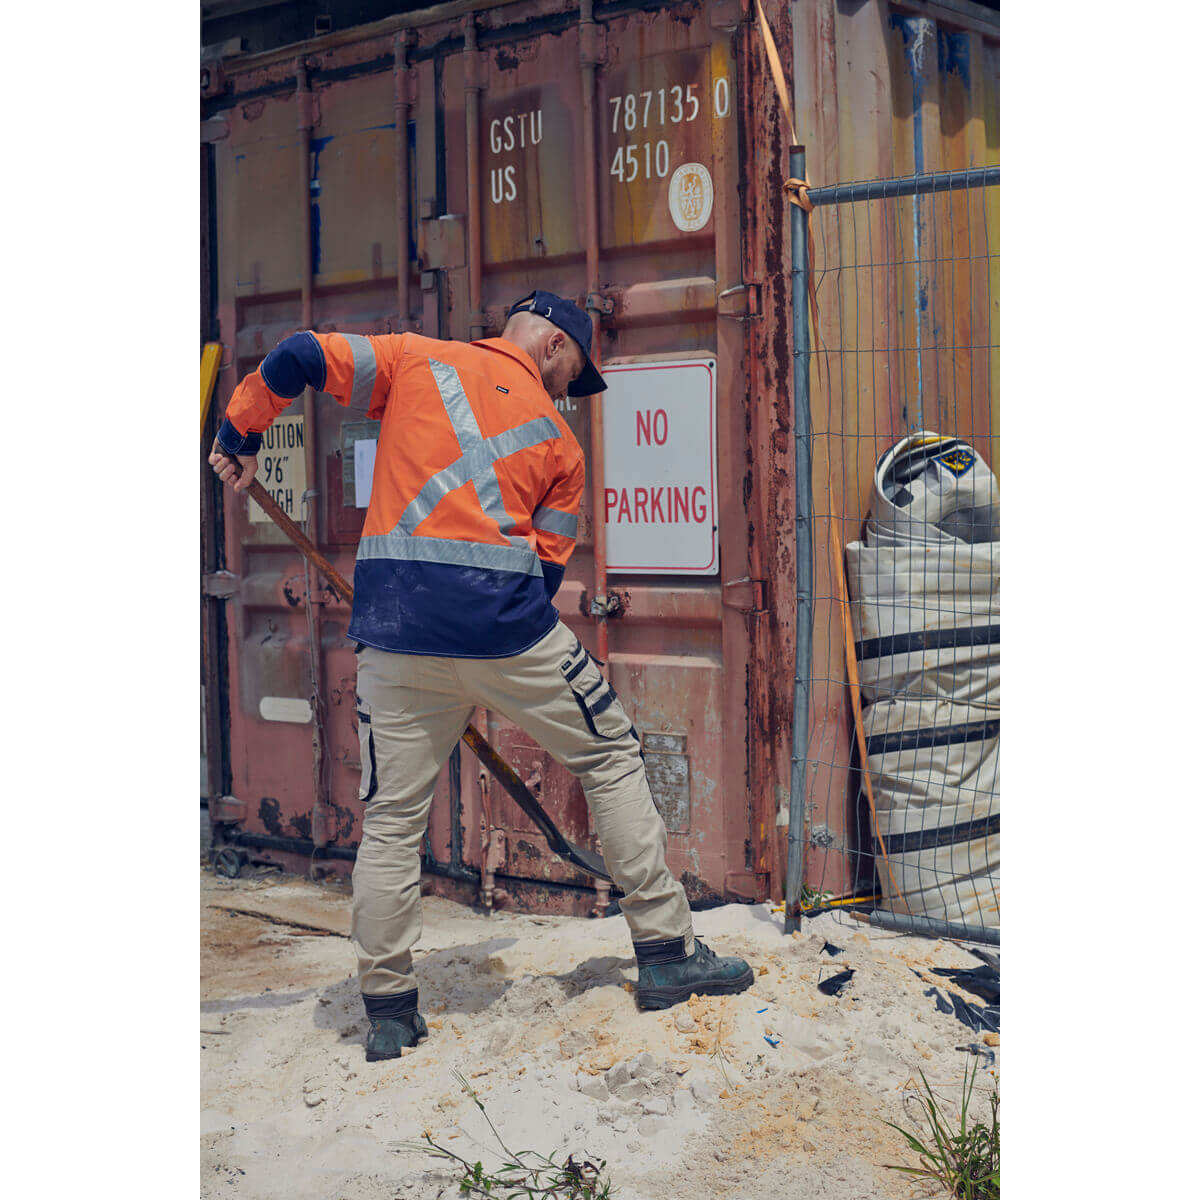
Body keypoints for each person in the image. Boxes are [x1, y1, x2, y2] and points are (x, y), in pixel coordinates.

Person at [208, 290, 754, 1062]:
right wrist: (483, 666)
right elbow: (544, 577)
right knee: (609, 751)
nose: (568, 392)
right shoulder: (561, 447)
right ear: (554, 345)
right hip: (505, 635)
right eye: (573, 374)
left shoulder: (411, 359)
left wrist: (240, 433)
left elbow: (298, 354)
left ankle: (389, 1009)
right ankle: (667, 953)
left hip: (395, 636)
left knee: (392, 819)